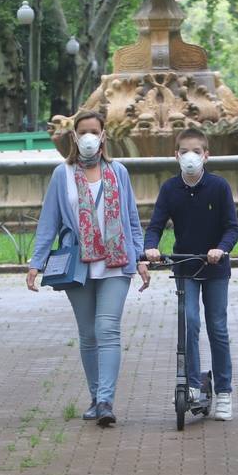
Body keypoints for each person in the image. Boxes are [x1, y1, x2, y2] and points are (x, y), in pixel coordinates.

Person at [27, 110, 149, 427]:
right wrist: (36, 262)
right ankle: (96, 397)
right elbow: (49, 221)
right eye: (83, 131)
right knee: (88, 334)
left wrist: (140, 258)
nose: (89, 137)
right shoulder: (61, 174)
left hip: (115, 262)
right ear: (75, 136)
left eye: (94, 131)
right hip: (78, 265)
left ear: (104, 135)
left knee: (107, 329)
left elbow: (132, 220)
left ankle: (106, 400)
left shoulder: (118, 172)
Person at [142, 127, 238, 420]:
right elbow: (156, 225)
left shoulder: (219, 187)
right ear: (176, 155)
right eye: (184, 151)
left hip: (215, 268)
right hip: (185, 265)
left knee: (217, 328)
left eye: (196, 152)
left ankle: (224, 391)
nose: (190, 157)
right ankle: (194, 385)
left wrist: (220, 249)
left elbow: (232, 227)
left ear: (206, 155)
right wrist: (151, 248)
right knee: (190, 323)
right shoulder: (170, 189)